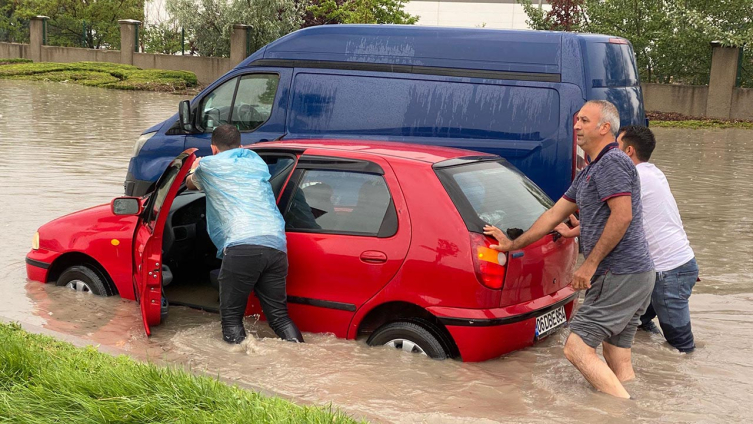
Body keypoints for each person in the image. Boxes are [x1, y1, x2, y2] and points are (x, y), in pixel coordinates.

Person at [483, 100, 654, 398]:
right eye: (576, 120)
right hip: (635, 273)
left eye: (584, 121)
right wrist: (513, 244)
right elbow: (553, 215)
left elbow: (622, 215)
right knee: (616, 355)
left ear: (604, 128)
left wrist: (589, 265)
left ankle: (620, 412)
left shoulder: (612, 162)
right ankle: (634, 410)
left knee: (576, 348)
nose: (576, 126)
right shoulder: (591, 170)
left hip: (619, 272)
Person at [186, 124, 304, 344]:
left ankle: (236, 370)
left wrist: (194, 167)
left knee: (231, 320)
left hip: (242, 245)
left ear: (214, 148)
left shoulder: (209, 166)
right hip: (276, 244)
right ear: (240, 146)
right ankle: (301, 354)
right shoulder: (255, 162)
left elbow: (190, 184)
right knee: (279, 317)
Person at [618, 125, 698, 352]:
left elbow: (615, 218)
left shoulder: (636, 177)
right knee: (639, 321)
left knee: (682, 345)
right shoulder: (653, 171)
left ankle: (683, 379)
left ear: (629, 151)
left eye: (617, 145)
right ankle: (653, 356)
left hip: (670, 271)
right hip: (670, 268)